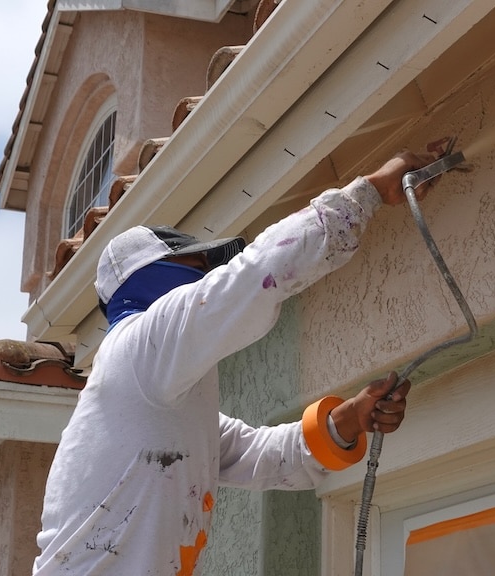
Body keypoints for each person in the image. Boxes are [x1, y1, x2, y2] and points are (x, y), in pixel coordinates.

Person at [33, 150, 436, 575]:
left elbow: (261, 456)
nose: (208, 273)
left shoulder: (160, 396)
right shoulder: (140, 346)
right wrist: (366, 194)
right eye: (197, 264)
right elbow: (253, 278)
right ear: (153, 277)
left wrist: (349, 420)